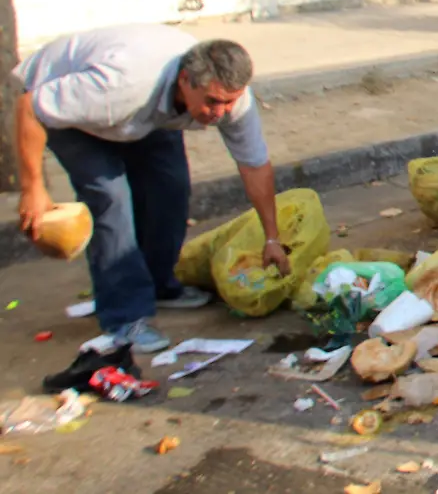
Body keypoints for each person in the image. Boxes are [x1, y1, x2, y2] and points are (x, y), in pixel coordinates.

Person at [14, 28, 289, 355]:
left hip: (143, 112)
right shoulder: (120, 86)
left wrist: (271, 238)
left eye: (228, 102)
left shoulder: (232, 101)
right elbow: (28, 108)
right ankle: (124, 317)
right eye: (212, 102)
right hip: (71, 107)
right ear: (186, 80)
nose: (220, 113)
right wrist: (32, 188)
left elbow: (254, 164)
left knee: (170, 187)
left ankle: (159, 284)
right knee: (110, 199)